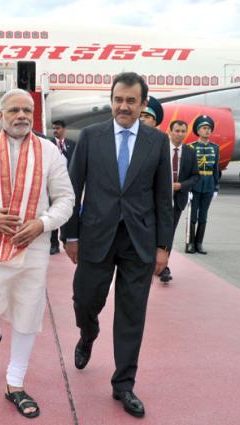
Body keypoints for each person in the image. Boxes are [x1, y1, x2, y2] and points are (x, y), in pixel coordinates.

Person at [0, 88, 74, 419]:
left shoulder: (49, 152)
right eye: (14, 110)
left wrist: (43, 224)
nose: (21, 115)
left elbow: (66, 199)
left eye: (27, 110)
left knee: (27, 314)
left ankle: (15, 383)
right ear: (1, 116)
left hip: (32, 248)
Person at [62, 72, 173, 418]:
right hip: (95, 236)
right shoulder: (90, 137)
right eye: (118, 100)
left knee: (131, 314)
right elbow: (72, 188)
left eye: (131, 101)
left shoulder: (157, 142)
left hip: (138, 241)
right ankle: (88, 333)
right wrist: (71, 235)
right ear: (111, 101)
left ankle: (124, 383)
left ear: (143, 104)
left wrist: (163, 247)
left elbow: (163, 198)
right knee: (84, 300)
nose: (124, 107)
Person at [159, 120, 199, 283]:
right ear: (170, 131)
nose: (180, 134)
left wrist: (182, 185)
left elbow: (196, 176)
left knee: (168, 233)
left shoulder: (190, 152)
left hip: (178, 199)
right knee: (153, 232)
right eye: (177, 131)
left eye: (183, 131)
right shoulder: (161, 149)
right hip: (159, 199)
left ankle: (163, 266)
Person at [186, 116, 220, 255]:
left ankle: (199, 243)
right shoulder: (191, 147)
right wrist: (187, 188)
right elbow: (188, 169)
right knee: (193, 215)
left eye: (209, 129)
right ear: (198, 131)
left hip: (209, 184)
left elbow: (216, 168)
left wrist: (216, 187)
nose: (207, 131)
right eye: (204, 128)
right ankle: (190, 243)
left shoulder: (215, 148)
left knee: (203, 216)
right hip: (195, 184)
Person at [49, 119, 76, 255]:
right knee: (52, 214)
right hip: (52, 185)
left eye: (58, 128)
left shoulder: (72, 144)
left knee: (67, 213)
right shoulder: (49, 144)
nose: (55, 131)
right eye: (54, 128)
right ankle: (53, 244)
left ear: (64, 129)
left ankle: (65, 239)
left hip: (68, 185)